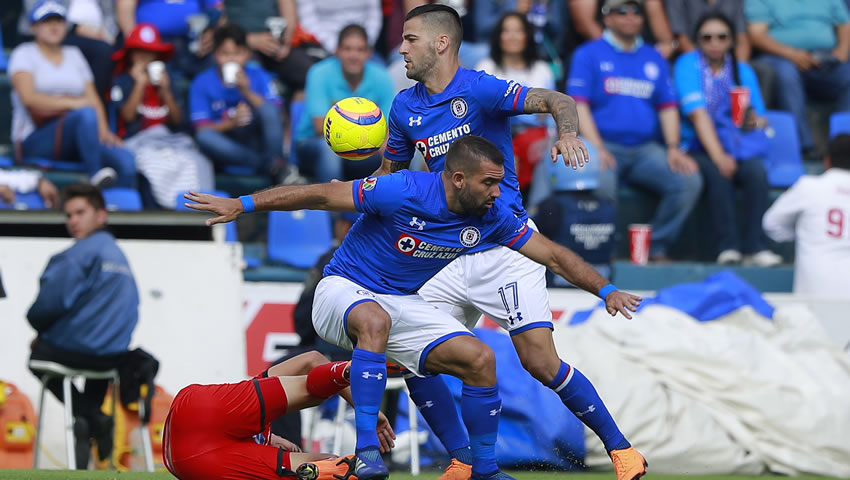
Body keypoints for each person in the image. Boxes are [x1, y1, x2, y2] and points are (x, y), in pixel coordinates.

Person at [185, 135, 645, 480]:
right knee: (375, 320)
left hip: (399, 302)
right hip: (342, 288)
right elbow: (324, 194)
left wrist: (605, 291)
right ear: (457, 178)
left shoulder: (494, 216)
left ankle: (482, 467)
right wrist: (241, 204)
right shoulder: (402, 189)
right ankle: (367, 454)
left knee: (479, 360)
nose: (497, 192)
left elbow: (553, 255)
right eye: (489, 183)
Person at [377, 5, 646, 480]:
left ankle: (623, 452)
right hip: (445, 250)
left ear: (442, 43)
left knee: (540, 362)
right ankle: (465, 458)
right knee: (407, 355)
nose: (401, 47)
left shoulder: (480, 88)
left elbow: (560, 99)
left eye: (411, 38)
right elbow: (390, 179)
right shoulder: (403, 108)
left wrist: (566, 136)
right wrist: (362, 184)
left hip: (506, 246)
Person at [568, 0, 702, 262]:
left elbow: (667, 107)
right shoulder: (588, 54)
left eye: (636, 11)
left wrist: (674, 148)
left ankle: (656, 246)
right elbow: (578, 105)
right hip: (603, 144)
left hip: (645, 149)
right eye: (622, 11)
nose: (630, 16)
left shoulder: (654, 58)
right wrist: (597, 147)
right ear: (606, 18)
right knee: (601, 182)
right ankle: (607, 251)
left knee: (688, 180)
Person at [27, 184, 140, 467]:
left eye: (80, 213)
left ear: (101, 215)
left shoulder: (79, 253)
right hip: (114, 355)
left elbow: (49, 304)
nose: (73, 221)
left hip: (80, 349)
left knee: (37, 357)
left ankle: (94, 418)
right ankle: (90, 428)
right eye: (69, 215)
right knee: (97, 371)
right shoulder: (119, 255)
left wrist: (39, 329)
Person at [164, 350, 396, 480]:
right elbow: (313, 361)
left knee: (330, 464)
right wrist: (368, 410)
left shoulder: (255, 438)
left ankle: (350, 370)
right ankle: (351, 371)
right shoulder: (257, 436)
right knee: (322, 461)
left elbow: (313, 360)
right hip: (199, 452)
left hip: (190, 441)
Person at [674, 12, 781, 267]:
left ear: (731, 41)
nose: (714, 42)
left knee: (756, 173)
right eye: (707, 37)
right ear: (697, 41)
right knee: (718, 174)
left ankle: (755, 247)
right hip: (695, 144)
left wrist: (753, 120)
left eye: (721, 37)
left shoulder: (742, 70)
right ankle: (727, 247)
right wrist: (719, 157)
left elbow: (761, 116)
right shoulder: (687, 64)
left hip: (736, 145)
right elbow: (698, 116)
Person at [9, 0, 137, 188]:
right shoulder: (24, 53)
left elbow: (93, 99)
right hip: (34, 139)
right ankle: (95, 174)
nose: (54, 26)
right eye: (47, 21)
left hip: (78, 136)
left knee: (125, 159)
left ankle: (118, 212)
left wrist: (103, 131)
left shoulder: (74, 53)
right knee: (84, 114)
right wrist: (73, 103)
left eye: (59, 21)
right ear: (34, 27)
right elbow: (29, 99)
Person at [111, 23, 215, 209]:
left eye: (150, 53)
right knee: (152, 166)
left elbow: (177, 120)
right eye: (139, 52)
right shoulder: (124, 81)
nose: (144, 58)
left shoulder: (168, 82)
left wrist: (166, 90)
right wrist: (139, 84)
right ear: (131, 55)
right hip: (139, 141)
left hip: (170, 140)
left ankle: (199, 215)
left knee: (199, 163)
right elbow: (127, 118)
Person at [745, 0, 850, 156]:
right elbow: (756, 34)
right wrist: (793, 54)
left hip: (825, 57)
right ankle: (805, 145)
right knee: (786, 74)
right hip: (781, 57)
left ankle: (842, 148)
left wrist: (842, 51)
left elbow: (845, 24)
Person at [295, 24, 395, 183]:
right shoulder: (319, 73)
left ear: (369, 53)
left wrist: (386, 147)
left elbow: (389, 126)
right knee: (327, 149)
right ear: (337, 51)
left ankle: (401, 201)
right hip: (316, 143)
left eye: (360, 50)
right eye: (347, 49)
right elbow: (320, 126)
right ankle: (333, 204)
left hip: (366, 147)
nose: (353, 55)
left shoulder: (382, 76)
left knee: (398, 148)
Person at [475, 11, 555, 196]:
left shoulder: (542, 70)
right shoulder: (485, 67)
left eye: (518, 31)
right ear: (498, 36)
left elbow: (548, 118)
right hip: (494, 133)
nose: (512, 36)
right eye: (506, 31)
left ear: (527, 35)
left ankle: (534, 211)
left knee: (542, 151)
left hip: (532, 137)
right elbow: (480, 111)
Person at [190, 24, 285, 176]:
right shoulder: (202, 82)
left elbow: (277, 116)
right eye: (225, 54)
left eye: (238, 53)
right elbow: (201, 129)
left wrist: (247, 92)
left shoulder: (260, 75)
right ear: (215, 54)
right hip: (228, 147)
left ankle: (275, 164)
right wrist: (231, 123)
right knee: (204, 137)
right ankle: (272, 168)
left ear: (247, 54)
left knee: (269, 110)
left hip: (256, 140)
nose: (231, 59)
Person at [762, 134, 850, 297]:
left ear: (827, 160)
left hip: (814, 293)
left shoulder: (809, 186)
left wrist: (803, 233)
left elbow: (770, 224)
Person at [223, 0, 322, 99]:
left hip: (276, 42)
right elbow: (219, 17)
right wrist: (250, 39)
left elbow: (287, 5)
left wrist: (286, 42)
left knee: (312, 73)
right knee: (252, 75)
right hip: (239, 44)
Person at [116, 0, 220, 78]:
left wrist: (211, 33)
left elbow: (217, 8)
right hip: (152, 44)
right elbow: (125, 7)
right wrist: (135, 44)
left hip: (193, 40)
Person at [297, 0, 383, 56]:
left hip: (364, 46)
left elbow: (374, 15)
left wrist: (364, 45)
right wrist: (334, 47)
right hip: (322, 47)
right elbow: (308, 19)